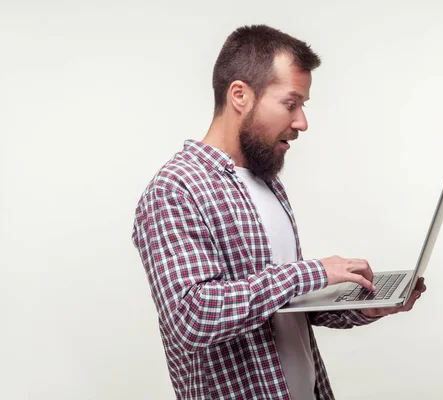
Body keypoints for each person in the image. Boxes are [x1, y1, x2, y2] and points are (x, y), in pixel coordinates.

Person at [131, 24, 426, 400]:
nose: (302, 121)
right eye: (291, 103)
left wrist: (366, 307)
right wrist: (312, 272)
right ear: (240, 95)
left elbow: (283, 308)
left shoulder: (265, 181)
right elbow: (193, 317)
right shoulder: (176, 188)